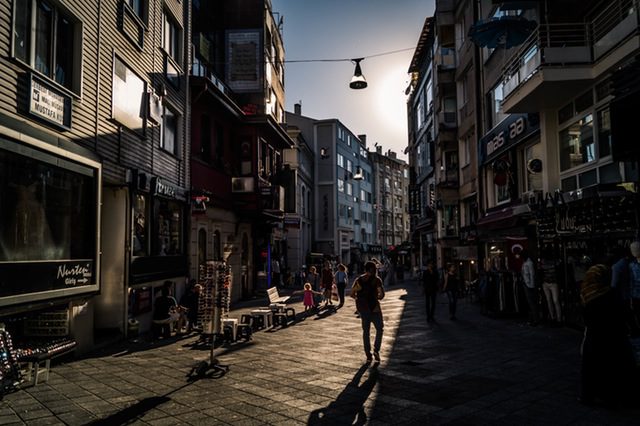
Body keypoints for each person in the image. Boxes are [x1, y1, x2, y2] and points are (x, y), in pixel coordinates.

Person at [579, 264, 637, 407]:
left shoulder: (588, 295)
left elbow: (587, 320)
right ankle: (615, 397)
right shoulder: (613, 294)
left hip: (595, 340)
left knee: (592, 369)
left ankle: (590, 396)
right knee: (616, 368)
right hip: (616, 339)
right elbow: (627, 314)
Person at [351, 261, 385, 363]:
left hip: (364, 309)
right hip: (374, 308)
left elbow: (352, 294)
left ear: (365, 269)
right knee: (380, 328)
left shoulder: (359, 280)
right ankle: (376, 350)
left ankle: (368, 354)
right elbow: (382, 294)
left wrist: (360, 299)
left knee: (366, 332)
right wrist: (377, 297)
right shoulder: (377, 280)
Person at [540, 249, 562, 326]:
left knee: (553, 301)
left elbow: (541, 270)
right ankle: (556, 319)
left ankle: (556, 319)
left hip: (549, 282)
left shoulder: (543, 261)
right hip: (550, 282)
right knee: (553, 301)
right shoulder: (555, 261)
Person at [520, 250, 539, 326]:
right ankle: (532, 319)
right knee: (529, 303)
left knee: (531, 303)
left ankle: (535, 319)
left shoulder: (529, 263)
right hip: (526, 283)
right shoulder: (525, 262)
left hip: (529, 285)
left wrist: (531, 285)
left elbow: (532, 274)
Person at [628, 241, 640, 336]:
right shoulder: (631, 265)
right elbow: (631, 282)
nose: (634, 251)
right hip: (635, 295)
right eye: (632, 249)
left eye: (636, 248)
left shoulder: (632, 265)